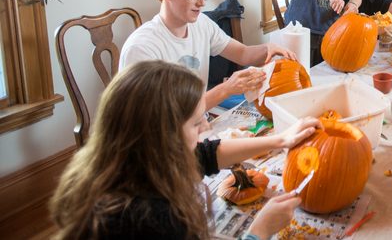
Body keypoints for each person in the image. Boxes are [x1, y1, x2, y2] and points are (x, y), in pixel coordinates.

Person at [50, 61, 321, 240]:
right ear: (161, 136)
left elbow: (206, 154)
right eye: (195, 123)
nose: (205, 127)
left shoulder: (126, 161)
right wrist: (260, 230)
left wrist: (280, 140)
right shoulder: (155, 219)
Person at [120, 0, 296, 109]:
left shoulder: (201, 24)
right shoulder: (142, 48)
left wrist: (269, 49)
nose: (202, 3)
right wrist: (226, 89)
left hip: (196, 123)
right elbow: (160, 118)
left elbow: (242, 53)